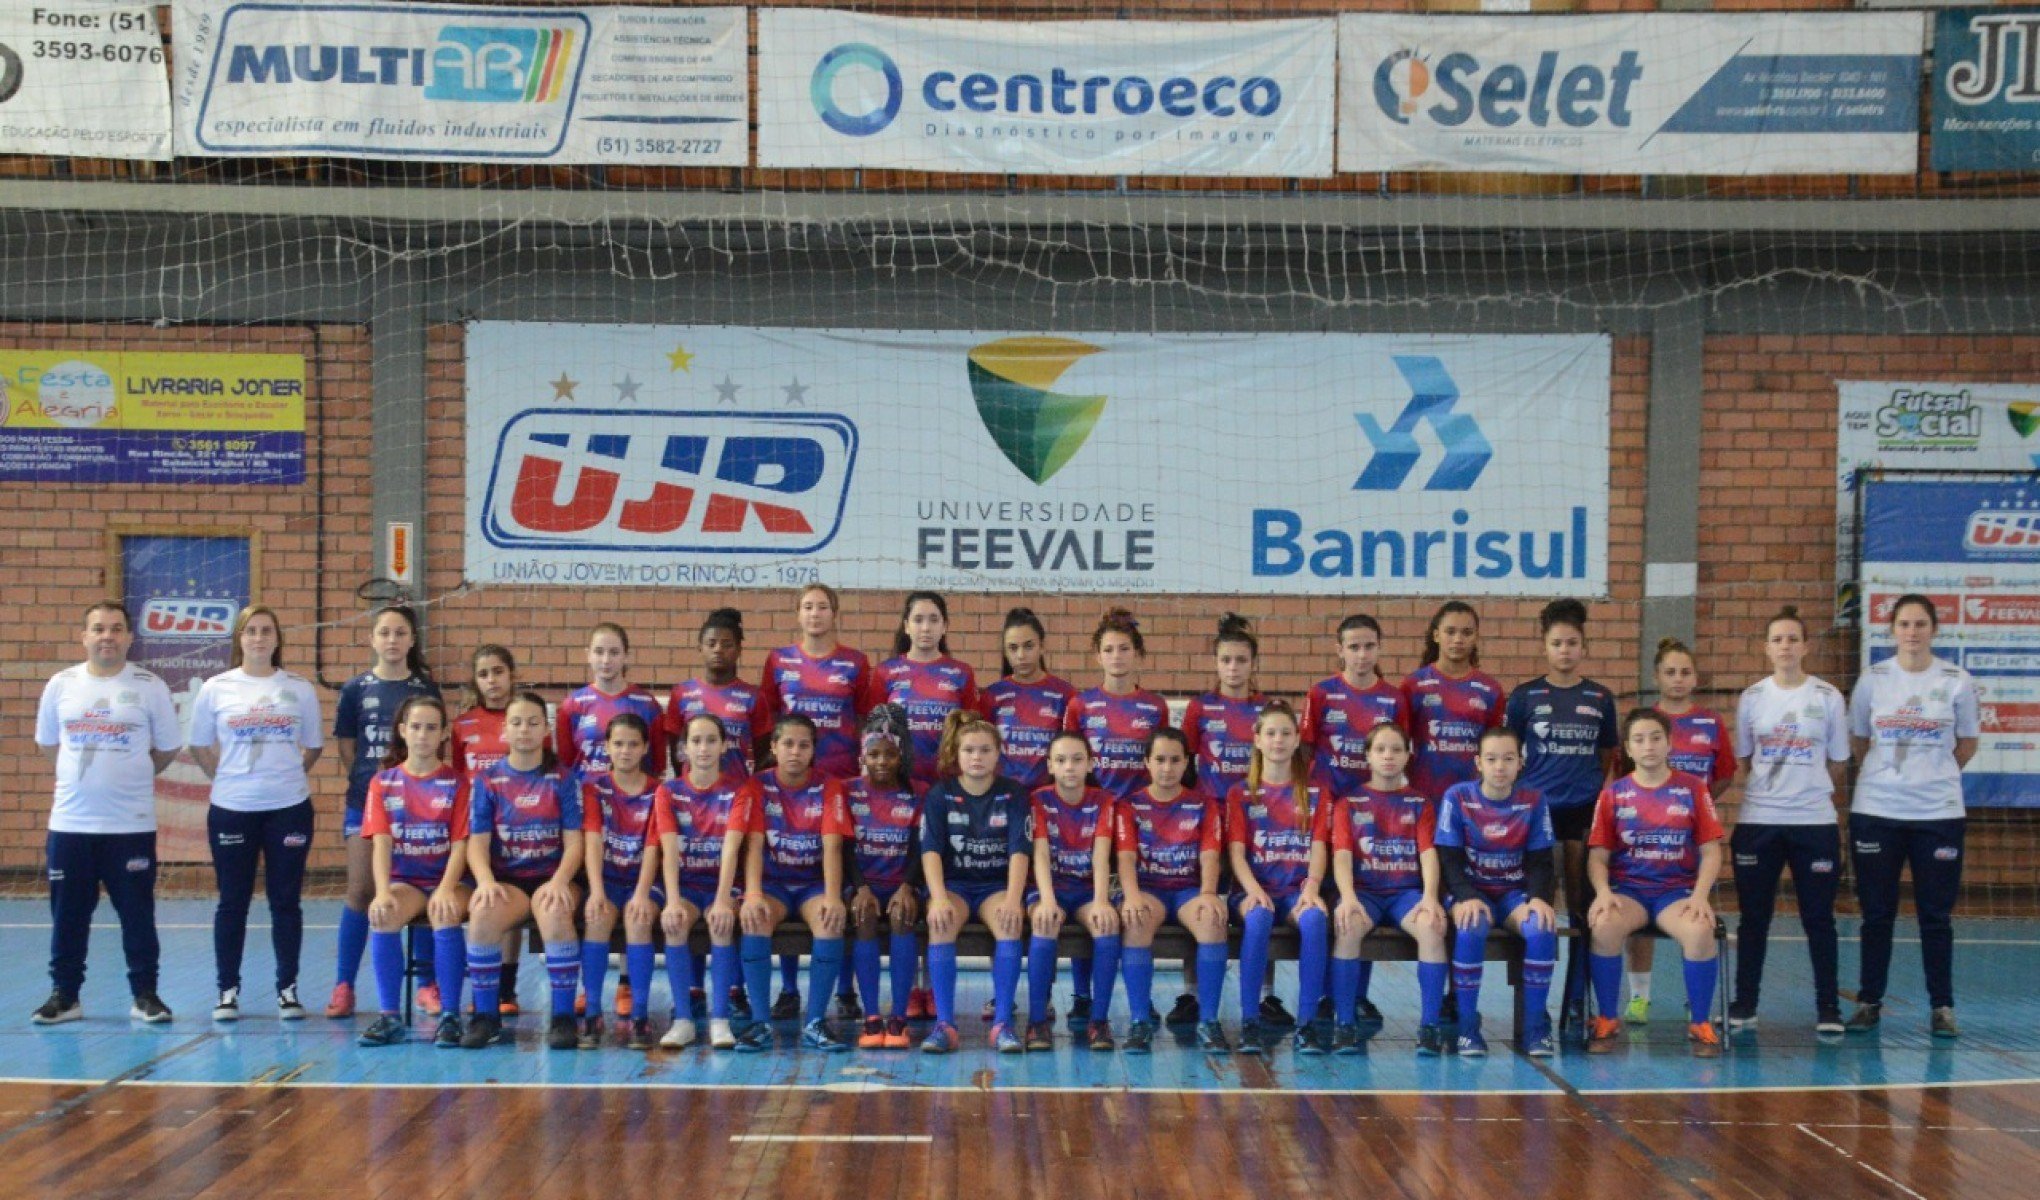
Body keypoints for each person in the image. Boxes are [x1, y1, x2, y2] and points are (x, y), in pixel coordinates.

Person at [32, 601, 181, 1025]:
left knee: (137, 914)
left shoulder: (149, 686)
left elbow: (167, 748)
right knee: (68, 917)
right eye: (98, 629)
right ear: (84, 636)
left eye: (116, 629)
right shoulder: (61, 685)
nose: (107, 636)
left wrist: (129, 776)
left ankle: (145, 995)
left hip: (130, 826)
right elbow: (48, 745)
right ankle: (65, 996)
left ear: (130, 638)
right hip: (70, 825)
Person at [1846, 594, 1980, 1038]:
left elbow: (1966, 746)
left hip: (1937, 814)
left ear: (1934, 630)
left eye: (1921, 624)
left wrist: (1929, 779)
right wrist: (1891, 780)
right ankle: (1869, 1002)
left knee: (1935, 916)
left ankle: (1942, 1006)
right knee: (1877, 913)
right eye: (1904, 624)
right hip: (1877, 812)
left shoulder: (1957, 681)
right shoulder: (1873, 680)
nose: (1912, 632)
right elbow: (1860, 742)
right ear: (1893, 631)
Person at [187, 606, 324, 1022]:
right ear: (239, 639)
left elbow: (313, 746)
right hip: (233, 809)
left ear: (278, 639)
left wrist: (287, 778)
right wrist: (225, 778)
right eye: (251, 631)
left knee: (286, 901)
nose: (259, 638)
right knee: (233, 901)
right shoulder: (216, 688)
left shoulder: (298, 689)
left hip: (289, 810)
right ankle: (227, 991)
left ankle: (288, 989)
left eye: (267, 631)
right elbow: (199, 744)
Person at [1727, 607, 1850, 1035]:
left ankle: (1828, 1008)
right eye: (1777, 639)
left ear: (1806, 647)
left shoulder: (1828, 697)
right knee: (1753, 917)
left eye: (1793, 639)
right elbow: (1745, 759)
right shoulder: (1753, 698)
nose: (1785, 646)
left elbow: (1836, 761)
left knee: (1819, 918)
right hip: (1760, 822)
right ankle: (1744, 1004)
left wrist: (1804, 791)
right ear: (1766, 648)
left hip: (1814, 823)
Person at [757, 583, 872, 1018]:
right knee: (786, 872)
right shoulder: (779, 660)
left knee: (833, 885)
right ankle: (788, 987)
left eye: (822, 606)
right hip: (788, 785)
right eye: (807, 606)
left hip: (838, 783)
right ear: (798, 614)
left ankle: (844, 990)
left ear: (835, 613)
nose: (815, 613)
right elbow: (770, 722)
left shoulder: (855, 663)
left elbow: (863, 720)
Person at [1585, 710, 1726, 1059]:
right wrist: (1603, 892)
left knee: (1699, 929)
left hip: (1676, 893)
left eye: (1655, 738)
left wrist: (1700, 896)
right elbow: (1598, 857)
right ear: (1627, 749)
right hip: (1628, 891)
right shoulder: (1614, 794)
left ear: (1669, 743)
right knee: (1603, 925)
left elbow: (1711, 852)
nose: (1648, 746)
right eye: (1639, 739)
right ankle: (1606, 1018)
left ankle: (1701, 1022)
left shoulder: (1692, 788)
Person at [1505, 598, 1619, 1031]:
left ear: (1584, 648)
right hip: (1538, 813)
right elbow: (1509, 752)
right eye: (1557, 643)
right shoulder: (1526, 696)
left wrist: (1588, 792)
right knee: (1538, 907)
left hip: (1584, 814)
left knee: (1582, 910)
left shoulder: (1600, 698)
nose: (1565, 650)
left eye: (1573, 643)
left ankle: (1576, 1000)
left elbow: (1607, 753)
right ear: (1545, 646)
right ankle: (1534, 1000)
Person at [328, 605, 440, 1019]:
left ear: (411, 640)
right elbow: (347, 747)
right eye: (384, 633)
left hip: (418, 809)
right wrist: (374, 787)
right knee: (361, 890)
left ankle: (428, 983)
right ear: (373, 639)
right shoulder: (355, 689)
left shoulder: (424, 689)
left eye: (400, 633)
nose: (392, 640)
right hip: (366, 802)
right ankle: (344, 984)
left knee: (425, 887)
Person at [1301, 611, 1409, 1024]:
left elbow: (1396, 750)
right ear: (1339, 650)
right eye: (1353, 646)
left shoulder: (1394, 699)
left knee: (1358, 903)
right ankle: (1328, 996)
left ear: (1379, 648)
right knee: (1330, 901)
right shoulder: (1322, 693)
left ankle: (1355, 995)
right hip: (1329, 813)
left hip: (1372, 814)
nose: (1361, 654)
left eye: (1369, 646)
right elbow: (1307, 751)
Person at [460, 691, 583, 1050]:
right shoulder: (487, 781)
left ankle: (562, 1018)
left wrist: (560, 881)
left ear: (545, 730)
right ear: (504, 731)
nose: (524, 730)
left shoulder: (563, 778)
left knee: (556, 911)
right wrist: (484, 881)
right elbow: (477, 843)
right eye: (516, 722)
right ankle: (486, 1016)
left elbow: (575, 843)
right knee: (482, 913)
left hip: (555, 877)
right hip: (509, 882)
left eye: (533, 722)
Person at [1631, 636, 1739, 1025]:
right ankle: (1639, 997)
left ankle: (1698, 1002)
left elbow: (1725, 773)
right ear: (1657, 676)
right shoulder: (1645, 721)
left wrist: (1698, 805)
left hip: (1692, 837)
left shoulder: (1710, 722)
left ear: (1695, 678)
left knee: (1692, 913)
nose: (1678, 678)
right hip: (1647, 835)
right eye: (1670, 672)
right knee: (1640, 913)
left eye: (1685, 672)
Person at [1434, 728, 1560, 1057]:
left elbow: (1540, 860)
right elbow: (1448, 859)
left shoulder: (1534, 800)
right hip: (1471, 891)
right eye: (1491, 759)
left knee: (1542, 927)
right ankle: (1467, 1029)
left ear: (1521, 763)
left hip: (1513, 894)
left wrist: (1538, 898)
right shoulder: (1457, 796)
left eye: (1508, 759)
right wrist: (1464, 895)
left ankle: (1535, 1029)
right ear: (1478, 763)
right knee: (1471, 927)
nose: (1499, 766)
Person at [732, 715, 854, 1052]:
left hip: (813, 884)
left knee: (830, 923)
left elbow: (832, 846)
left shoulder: (830, 786)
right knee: (754, 917)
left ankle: (815, 1021)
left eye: (804, 745)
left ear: (813, 749)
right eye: (787, 744)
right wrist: (754, 894)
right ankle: (760, 1022)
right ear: (773, 747)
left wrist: (832, 896)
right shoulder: (757, 785)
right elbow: (753, 845)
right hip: (773, 883)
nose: (795, 752)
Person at [1329, 723, 1448, 1056]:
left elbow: (1428, 853)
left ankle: (1429, 1027)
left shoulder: (1419, 802)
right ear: (1367, 756)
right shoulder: (1348, 802)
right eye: (1380, 749)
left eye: (1396, 749)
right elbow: (1341, 855)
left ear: (1408, 755)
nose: (1388, 756)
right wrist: (1348, 897)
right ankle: (1345, 1024)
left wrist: (1430, 897)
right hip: (1365, 892)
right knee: (1348, 926)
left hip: (1405, 894)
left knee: (1432, 927)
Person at [357, 696, 470, 1048]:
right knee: (383, 915)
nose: (423, 735)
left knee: (444, 911)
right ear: (403, 731)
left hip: (451, 880)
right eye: (416, 727)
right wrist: (382, 891)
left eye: (431, 728)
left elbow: (461, 844)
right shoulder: (383, 783)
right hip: (407, 881)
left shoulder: (457, 783)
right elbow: (381, 844)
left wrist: (448, 888)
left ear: (444, 734)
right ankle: (390, 1017)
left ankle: (450, 1015)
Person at [917, 710, 1030, 1055]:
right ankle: (945, 1025)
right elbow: (931, 851)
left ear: (998, 753)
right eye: (969, 751)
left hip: (996, 887)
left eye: (984, 750)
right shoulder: (940, 795)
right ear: (956, 754)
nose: (977, 757)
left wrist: (1013, 900)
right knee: (942, 922)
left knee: (1010, 926)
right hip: (956, 885)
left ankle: (1002, 1024)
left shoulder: (1013, 794)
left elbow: (1019, 851)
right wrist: (937, 898)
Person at [1112, 728, 1228, 1055]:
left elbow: (1209, 855)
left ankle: (1208, 1021)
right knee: (1135, 921)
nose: (1167, 767)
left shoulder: (1202, 804)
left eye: (1175, 760)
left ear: (1186, 762)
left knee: (1213, 920)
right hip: (1148, 888)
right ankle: (1139, 1021)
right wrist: (1131, 895)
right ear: (1147, 762)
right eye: (1159, 759)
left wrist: (1208, 893)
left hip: (1189, 889)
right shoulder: (1130, 804)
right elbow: (1126, 856)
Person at [1225, 701, 1330, 1055]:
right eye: (1270, 733)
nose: (1278, 740)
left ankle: (1307, 1024)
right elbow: (1236, 853)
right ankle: (1250, 1022)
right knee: (1257, 920)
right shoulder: (1241, 793)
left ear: (1298, 738)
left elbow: (1319, 846)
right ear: (1256, 739)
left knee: (1315, 921)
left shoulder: (1315, 792)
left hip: (1297, 890)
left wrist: (1312, 886)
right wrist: (1253, 889)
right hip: (1255, 889)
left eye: (1286, 733)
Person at [653, 712, 758, 1051]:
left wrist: (725, 899)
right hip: (684, 886)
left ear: (724, 745)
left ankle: (720, 1020)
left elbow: (731, 850)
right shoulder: (667, 792)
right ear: (683, 748)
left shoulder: (739, 791)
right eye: (696, 741)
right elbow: (668, 851)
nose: (703, 748)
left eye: (711, 740)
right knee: (675, 923)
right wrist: (670, 900)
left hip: (721, 885)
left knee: (722, 924)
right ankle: (683, 1020)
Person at [450, 644, 537, 1016]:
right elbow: (458, 779)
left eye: (498, 672)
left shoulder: (528, 721)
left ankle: (506, 986)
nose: (492, 680)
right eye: (484, 674)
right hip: (477, 832)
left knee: (509, 907)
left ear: (512, 676)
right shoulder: (463, 725)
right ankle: (475, 985)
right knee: (482, 904)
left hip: (520, 830)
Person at [1026, 732, 1119, 1053]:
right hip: (1048, 887)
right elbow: (1039, 853)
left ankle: (1099, 1019)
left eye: (1078, 759)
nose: (1070, 767)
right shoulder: (1038, 799)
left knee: (1106, 923)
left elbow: (1101, 855)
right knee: (1045, 920)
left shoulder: (1104, 800)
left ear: (1090, 764)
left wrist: (1103, 901)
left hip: (1086, 890)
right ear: (1050, 765)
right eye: (1061, 760)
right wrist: (1048, 899)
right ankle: (1037, 1021)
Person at [578, 714, 664, 1050]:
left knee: (638, 917)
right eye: (618, 744)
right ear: (607, 749)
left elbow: (654, 845)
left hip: (645, 880)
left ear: (644, 748)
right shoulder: (595, 789)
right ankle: (593, 1013)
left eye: (632, 744)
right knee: (597, 916)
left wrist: (642, 893)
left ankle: (640, 1016)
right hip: (608, 878)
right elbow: (593, 841)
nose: (625, 751)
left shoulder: (659, 791)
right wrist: (596, 890)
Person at [844, 706, 924, 1049]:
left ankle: (900, 1018)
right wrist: (861, 888)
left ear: (901, 754)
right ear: (863, 754)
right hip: (862, 881)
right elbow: (843, 849)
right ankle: (872, 1015)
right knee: (862, 917)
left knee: (903, 915)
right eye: (873, 754)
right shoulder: (847, 791)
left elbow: (922, 850)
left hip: (903, 881)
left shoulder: (919, 792)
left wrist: (907, 887)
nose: (881, 761)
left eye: (889, 754)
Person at [865, 591, 979, 789]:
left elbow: (972, 729)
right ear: (906, 626)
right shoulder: (885, 672)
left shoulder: (961, 673)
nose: (926, 628)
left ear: (944, 626)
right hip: (898, 781)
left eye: (934, 620)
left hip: (948, 781)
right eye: (918, 620)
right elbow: (871, 733)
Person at [1064, 607, 1170, 801]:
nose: (1116, 656)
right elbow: (1068, 763)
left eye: (1124, 649)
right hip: (1093, 808)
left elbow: (1163, 762)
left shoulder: (1156, 706)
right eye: (1108, 649)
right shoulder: (1079, 705)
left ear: (1137, 654)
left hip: (1142, 809)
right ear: (1098, 656)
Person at [979, 606, 1077, 793]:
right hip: (1003, 797)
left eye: (1028, 646)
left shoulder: (1065, 694)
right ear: (1005, 653)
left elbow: (1073, 751)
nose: (1021, 655)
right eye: (1013, 648)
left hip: (1050, 798)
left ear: (1042, 647)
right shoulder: (992, 695)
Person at [556, 623, 667, 783]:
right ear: (588, 655)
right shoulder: (571, 706)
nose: (606, 660)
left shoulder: (648, 705)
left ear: (626, 656)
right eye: (599, 652)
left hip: (634, 803)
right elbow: (566, 765)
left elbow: (658, 766)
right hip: (587, 799)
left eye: (614, 652)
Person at [663, 607, 762, 781]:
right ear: (700, 648)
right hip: (693, 796)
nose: (718, 649)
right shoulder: (681, 694)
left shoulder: (753, 697)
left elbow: (762, 757)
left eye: (727, 644)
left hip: (737, 793)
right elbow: (677, 754)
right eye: (711, 643)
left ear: (739, 650)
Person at [1183, 613, 1268, 806]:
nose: (1233, 667)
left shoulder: (1267, 709)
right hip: (1210, 807)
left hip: (1255, 807)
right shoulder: (1199, 707)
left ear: (1254, 664)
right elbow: (1185, 765)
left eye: (1241, 660)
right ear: (1216, 663)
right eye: (1226, 660)